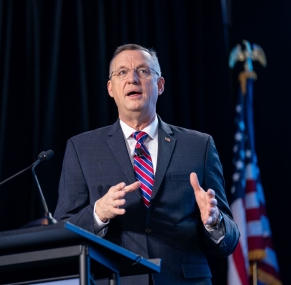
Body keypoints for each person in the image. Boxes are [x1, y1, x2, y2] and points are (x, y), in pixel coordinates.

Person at [54, 44, 240, 285]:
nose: (132, 79)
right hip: (115, 279)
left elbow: (231, 240)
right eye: (121, 72)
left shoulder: (199, 145)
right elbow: (63, 230)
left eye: (142, 71)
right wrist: (98, 213)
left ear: (160, 85)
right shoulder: (82, 148)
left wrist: (214, 222)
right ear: (111, 89)